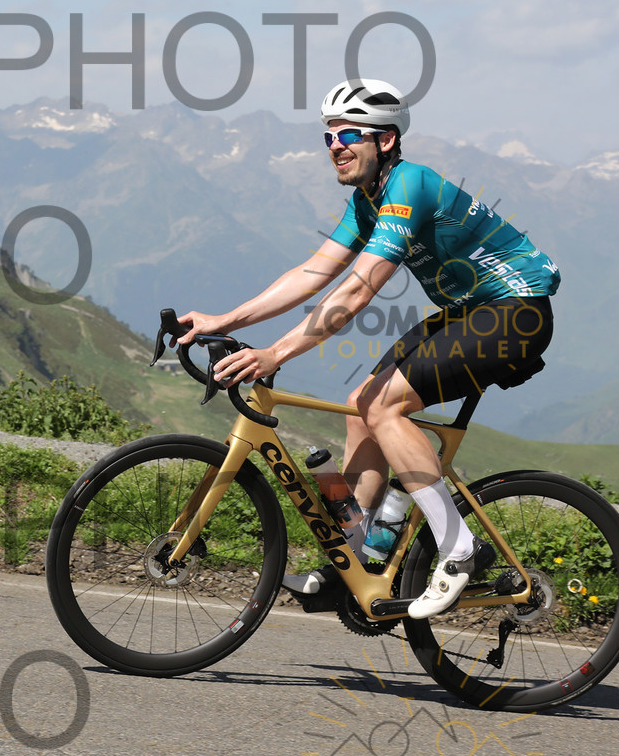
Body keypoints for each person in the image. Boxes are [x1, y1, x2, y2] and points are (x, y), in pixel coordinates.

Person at [177, 78, 559, 619]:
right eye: (328, 136)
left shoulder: (410, 185)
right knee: (361, 405)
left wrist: (275, 355)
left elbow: (356, 291)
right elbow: (312, 274)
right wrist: (224, 319)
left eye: (349, 134)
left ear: (385, 140)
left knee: (384, 406)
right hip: (468, 312)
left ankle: (459, 549)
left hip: (515, 312)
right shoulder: (368, 200)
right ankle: (359, 559)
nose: (335, 145)